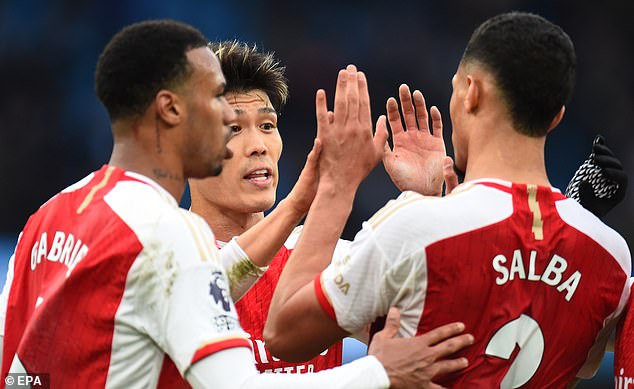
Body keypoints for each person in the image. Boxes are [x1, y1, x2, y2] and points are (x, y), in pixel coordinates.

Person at [0, 19, 475, 389]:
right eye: (225, 115)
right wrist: (377, 375)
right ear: (171, 110)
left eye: (267, 126)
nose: (254, 142)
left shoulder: (50, 219)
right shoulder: (169, 238)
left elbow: (447, 327)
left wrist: (428, 202)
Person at [263, 12, 631, 387]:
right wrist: (428, 200)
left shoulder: (413, 228)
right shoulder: (612, 257)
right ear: (556, 118)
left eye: (455, 87)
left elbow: (283, 333)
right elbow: (579, 360)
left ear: (471, 91)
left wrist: (337, 183)